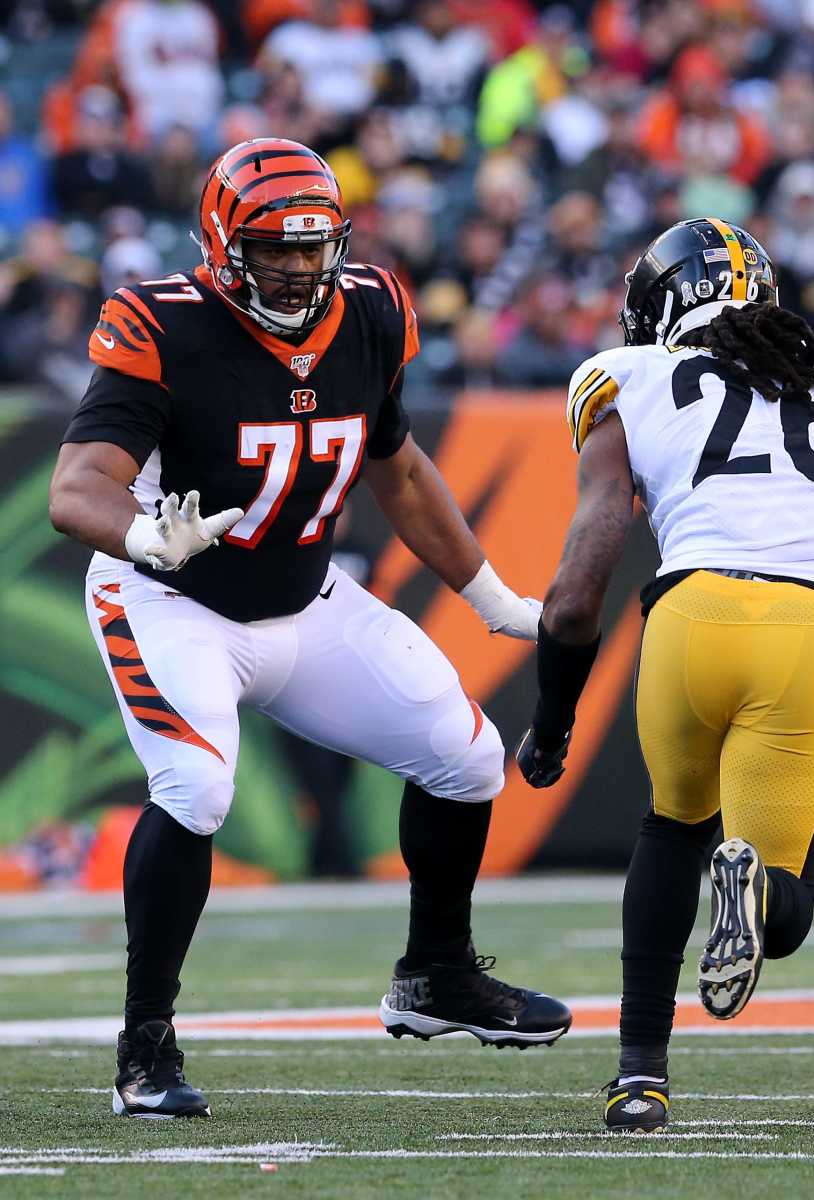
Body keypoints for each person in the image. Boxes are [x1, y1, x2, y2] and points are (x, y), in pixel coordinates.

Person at [48, 137, 571, 1120]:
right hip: (171, 598)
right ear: (221, 242)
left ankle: (436, 973)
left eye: (312, 244)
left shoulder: (371, 308)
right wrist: (143, 538)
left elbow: (399, 468)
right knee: (197, 786)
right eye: (273, 247)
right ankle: (145, 1045)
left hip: (303, 596)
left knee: (468, 758)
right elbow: (75, 488)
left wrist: (490, 596)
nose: (296, 265)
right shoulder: (165, 323)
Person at [516, 217, 814, 1133]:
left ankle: (638, 1076)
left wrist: (551, 720)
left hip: (688, 620)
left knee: (669, 832)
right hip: (805, 633)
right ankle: (753, 887)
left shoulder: (628, 379)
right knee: (783, 908)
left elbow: (580, 583)